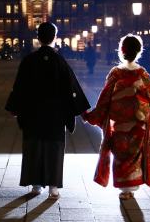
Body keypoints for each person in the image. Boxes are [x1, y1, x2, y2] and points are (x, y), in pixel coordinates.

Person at [5, 22, 90, 199]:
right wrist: (82, 110)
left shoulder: (29, 61)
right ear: (54, 38)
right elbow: (72, 88)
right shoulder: (60, 61)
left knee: (34, 147)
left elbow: (19, 87)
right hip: (55, 115)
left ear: (38, 37)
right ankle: (53, 187)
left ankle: (36, 185)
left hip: (33, 113)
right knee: (54, 148)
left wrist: (14, 107)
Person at [83, 34, 150, 200]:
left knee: (121, 154)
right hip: (138, 123)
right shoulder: (142, 74)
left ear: (121, 51)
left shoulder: (116, 73)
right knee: (134, 155)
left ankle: (125, 189)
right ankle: (131, 187)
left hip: (119, 124)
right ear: (139, 52)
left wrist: (91, 116)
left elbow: (105, 99)